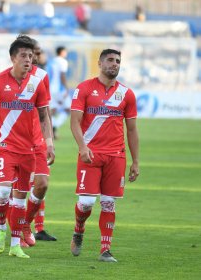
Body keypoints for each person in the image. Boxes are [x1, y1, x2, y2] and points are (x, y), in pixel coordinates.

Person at [0, 35, 55, 259]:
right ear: (12, 58)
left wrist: (49, 142)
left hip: (29, 149)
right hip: (4, 146)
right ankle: (1, 225)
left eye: (31, 56)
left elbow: (44, 115)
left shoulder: (38, 82)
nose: (28, 60)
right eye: (23, 56)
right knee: (4, 190)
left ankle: (15, 245)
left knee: (20, 199)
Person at [70, 49, 139, 262]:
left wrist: (135, 161)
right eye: (110, 60)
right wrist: (82, 147)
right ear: (99, 63)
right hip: (90, 154)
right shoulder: (84, 89)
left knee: (109, 203)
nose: (114, 64)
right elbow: (74, 122)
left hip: (116, 156)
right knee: (87, 202)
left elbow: (132, 129)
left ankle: (105, 249)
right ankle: (79, 228)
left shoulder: (127, 94)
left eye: (118, 61)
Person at [21, 38, 56, 245]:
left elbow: (45, 111)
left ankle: (35, 226)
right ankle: (9, 220)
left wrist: (49, 138)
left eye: (37, 52)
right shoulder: (8, 76)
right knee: (20, 187)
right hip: (15, 141)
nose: (36, 56)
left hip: (37, 139)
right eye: (34, 52)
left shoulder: (42, 76)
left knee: (40, 183)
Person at [48, 46, 70, 139]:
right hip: (60, 89)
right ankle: (55, 125)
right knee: (68, 109)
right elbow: (62, 75)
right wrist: (66, 88)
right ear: (62, 52)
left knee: (53, 110)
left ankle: (52, 128)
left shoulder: (51, 61)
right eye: (65, 51)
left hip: (50, 88)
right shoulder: (63, 61)